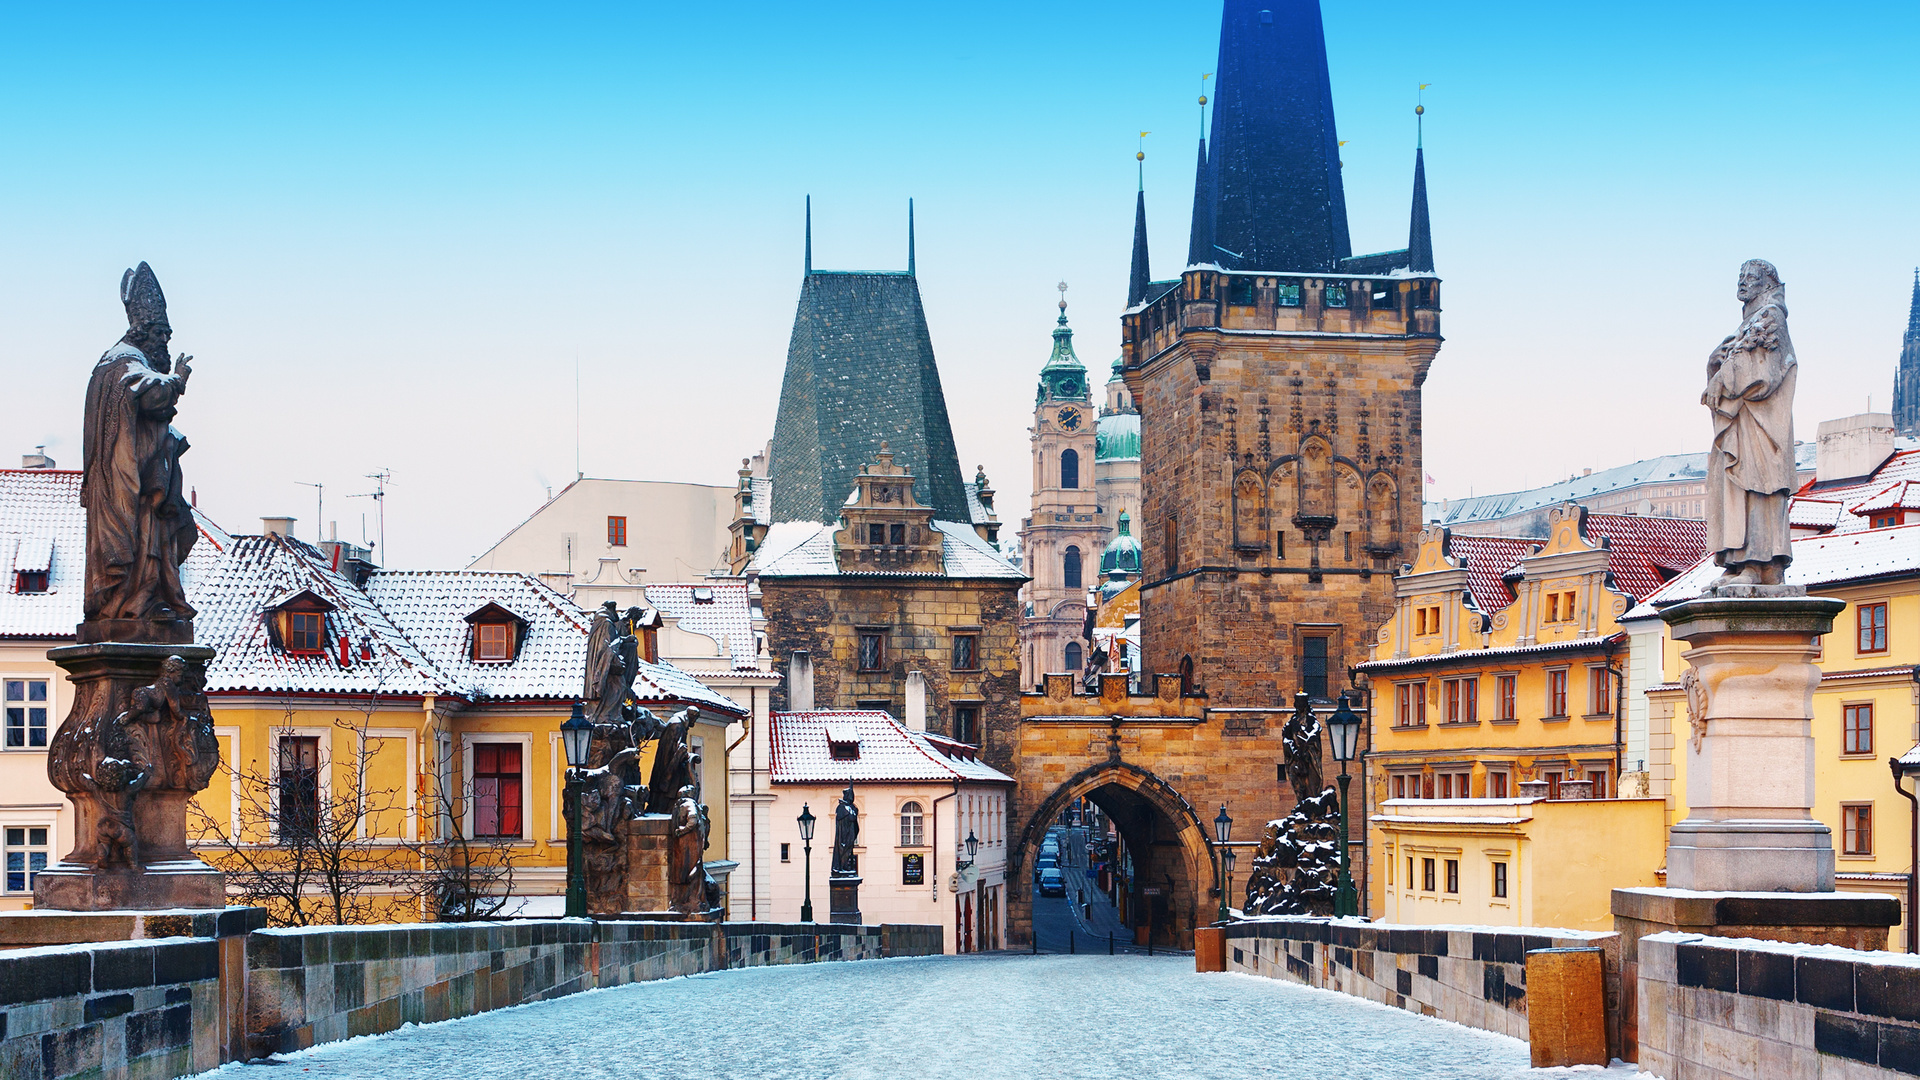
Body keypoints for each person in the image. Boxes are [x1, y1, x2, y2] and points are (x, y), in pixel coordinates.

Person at [1703, 259, 1797, 590]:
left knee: (1758, 488)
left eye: (1751, 277)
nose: (1742, 283)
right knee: (1741, 488)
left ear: (1768, 282)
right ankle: (1738, 560)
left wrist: (1724, 376)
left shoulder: (1771, 317)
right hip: (1746, 421)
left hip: (1762, 425)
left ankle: (1758, 565)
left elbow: (1763, 373)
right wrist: (1717, 363)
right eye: (1740, 276)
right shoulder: (1749, 323)